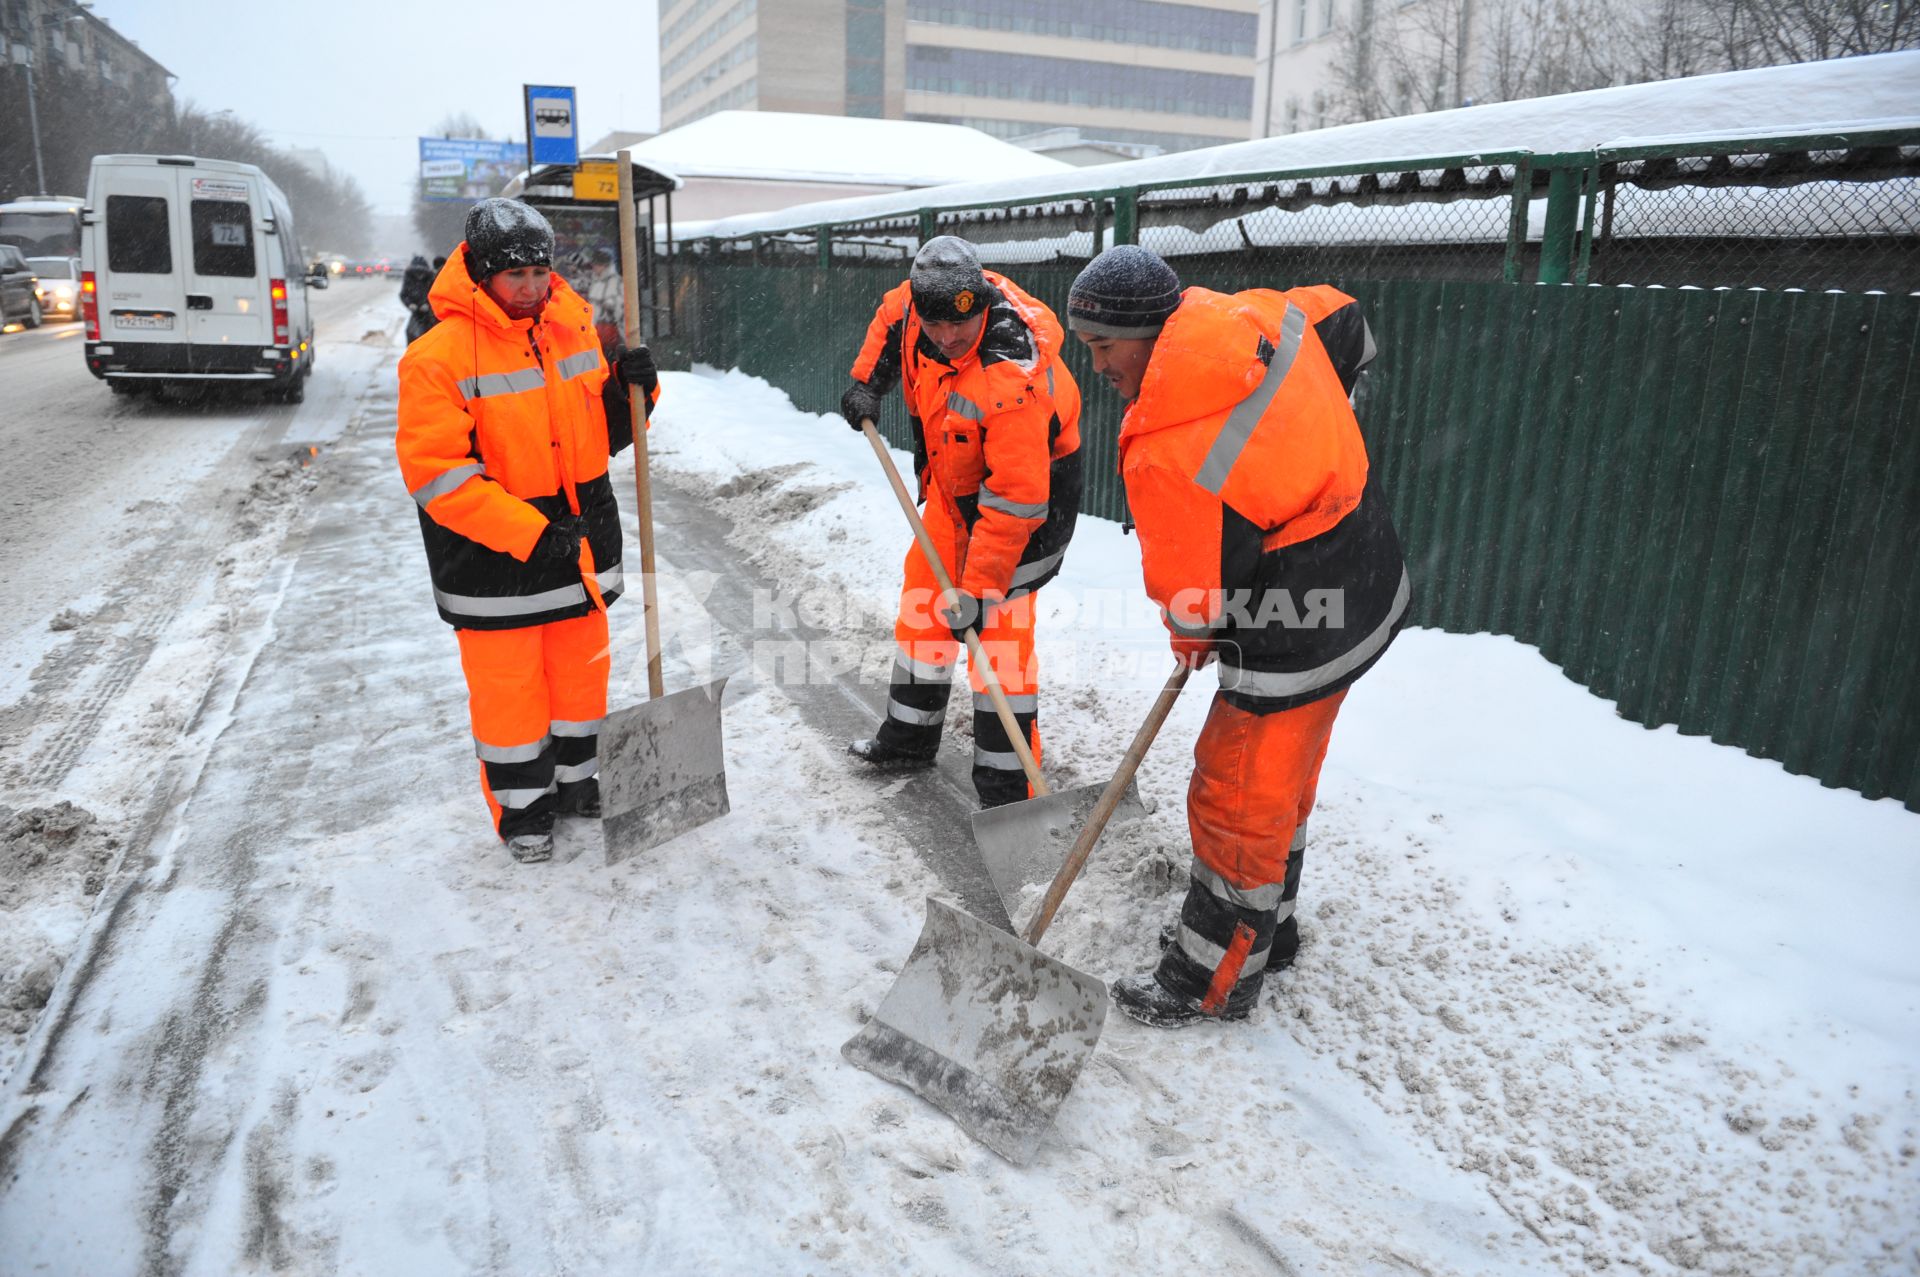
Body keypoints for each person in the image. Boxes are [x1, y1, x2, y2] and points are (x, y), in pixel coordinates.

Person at [1064, 245, 1410, 1027]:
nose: (1098, 366)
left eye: (1103, 346)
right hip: (1364, 570)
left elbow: (1193, 602)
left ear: (1148, 329)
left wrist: (1192, 640)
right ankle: (1268, 933)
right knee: (1282, 776)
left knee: (1236, 787)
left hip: (1297, 617)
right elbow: (1341, 316)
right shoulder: (1245, 312)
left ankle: (1209, 974)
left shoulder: (1165, 442)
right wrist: (1326, 425)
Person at [396, 198, 659, 863]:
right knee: (511, 696)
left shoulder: (570, 329)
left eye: (540, 273)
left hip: (577, 553)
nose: (533, 288)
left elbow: (602, 437)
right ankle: (524, 809)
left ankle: (576, 784)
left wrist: (634, 393)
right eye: (516, 276)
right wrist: (531, 533)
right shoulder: (438, 356)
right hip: (496, 565)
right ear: (480, 273)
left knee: (579, 682)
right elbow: (438, 475)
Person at [838, 236, 1083, 808]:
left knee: (998, 643)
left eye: (961, 330)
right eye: (935, 327)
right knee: (924, 610)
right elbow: (892, 317)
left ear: (981, 304)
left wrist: (977, 590)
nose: (947, 339)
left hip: (1028, 511)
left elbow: (1016, 500)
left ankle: (1008, 787)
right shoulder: (916, 307)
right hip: (954, 491)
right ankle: (909, 738)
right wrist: (867, 383)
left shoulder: (1009, 376)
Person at [400, 254, 436, 344]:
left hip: (430, 316)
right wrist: (410, 304)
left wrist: (428, 305)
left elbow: (435, 294)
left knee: (430, 337)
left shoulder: (431, 279)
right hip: (415, 314)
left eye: (421, 273)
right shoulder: (409, 279)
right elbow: (403, 294)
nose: (419, 275)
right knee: (411, 333)